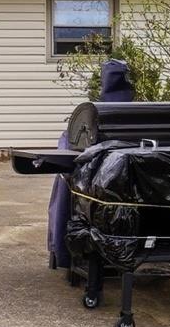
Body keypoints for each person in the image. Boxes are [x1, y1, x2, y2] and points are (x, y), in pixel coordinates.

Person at [49, 58, 134, 268]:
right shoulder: (139, 117)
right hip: (127, 193)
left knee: (65, 188)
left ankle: (65, 252)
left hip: (93, 192)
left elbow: (69, 148)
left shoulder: (92, 117)